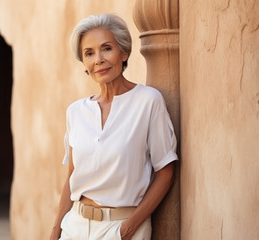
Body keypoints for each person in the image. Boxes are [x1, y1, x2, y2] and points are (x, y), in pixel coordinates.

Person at [50, 13, 178, 240]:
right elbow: (71, 177)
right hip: (75, 227)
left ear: (124, 52)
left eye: (106, 48)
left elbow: (165, 172)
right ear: (85, 63)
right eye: (89, 53)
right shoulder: (76, 112)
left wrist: (127, 230)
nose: (98, 59)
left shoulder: (148, 101)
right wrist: (55, 231)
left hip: (120, 228)